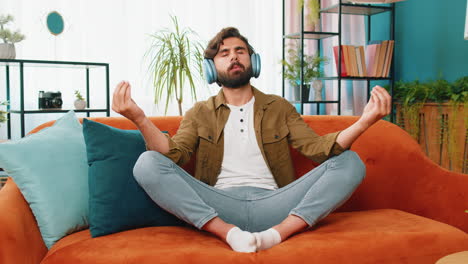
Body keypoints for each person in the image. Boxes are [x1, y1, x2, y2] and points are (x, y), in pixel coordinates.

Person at [112, 27, 391, 253]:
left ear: (252, 61)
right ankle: (229, 234)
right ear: (212, 67)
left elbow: (320, 150)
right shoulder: (200, 112)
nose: (233, 57)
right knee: (147, 163)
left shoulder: (279, 107)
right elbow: (172, 155)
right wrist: (138, 118)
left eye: (240, 51)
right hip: (219, 205)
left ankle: (275, 236)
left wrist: (365, 120)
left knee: (350, 162)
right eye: (224, 53)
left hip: (277, 204)